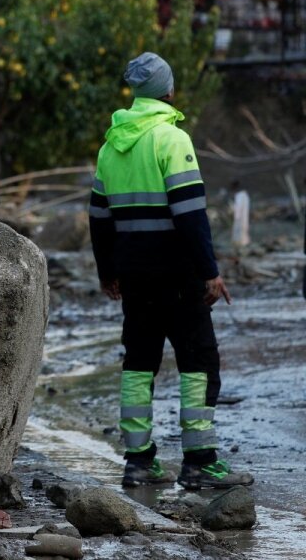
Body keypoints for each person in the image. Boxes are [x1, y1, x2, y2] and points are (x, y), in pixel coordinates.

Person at [88, 52, 254, 491]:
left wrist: (109, 272)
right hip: (179, 278)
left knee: (139, 364)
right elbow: (190, 215)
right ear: (169, 91)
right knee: (198, 363)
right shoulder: (171, 139)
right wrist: (210, 272)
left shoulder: (111, 146)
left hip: (135, 278)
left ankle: (139, 462)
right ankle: (199, 462)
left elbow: (98, 218)